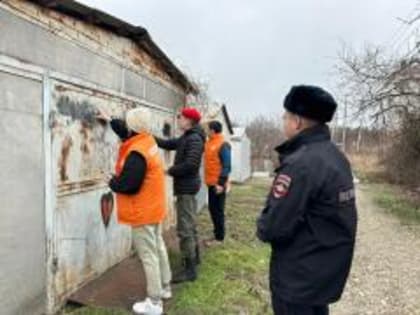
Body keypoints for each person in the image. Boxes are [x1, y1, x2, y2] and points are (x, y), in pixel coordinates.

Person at [256, 85, 358, 315]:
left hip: (298, 278)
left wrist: (262, 225)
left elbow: (274, 226)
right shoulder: (337, 157)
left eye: (286, 116)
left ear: (298, 122)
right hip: (323, 272)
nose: (283, 120)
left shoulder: (300, 164)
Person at [97, 108, 172, 315]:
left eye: (128, 122)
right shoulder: (148, 141)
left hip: (142, 211)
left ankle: (154, 302)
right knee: (158, 247)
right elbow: (126, 131)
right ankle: (165, 287)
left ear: (134, 127)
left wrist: (112, 181)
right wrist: (110, 119)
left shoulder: (136, 153)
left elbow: (130, 184)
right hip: (154, 207)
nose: (126, 125)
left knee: (148, 255)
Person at [155, 107, 205, 283]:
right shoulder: (187, 137)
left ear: (189, 121)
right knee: (189, 225)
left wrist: (169, 170)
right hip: (186, 187)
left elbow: (191, 165)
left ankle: (189, 270)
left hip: (187, 188)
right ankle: (195, 259)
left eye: (181, 117)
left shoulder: (195, 139)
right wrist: (148, 137)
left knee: (185, 228)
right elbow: (169, 144)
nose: (178, 120)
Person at [204, 120, 232, 245]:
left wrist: (221, 184)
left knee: (218, 210)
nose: (206, 131)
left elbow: (227, 165)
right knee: (212, 209)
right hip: (210, 183)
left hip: (218, 185)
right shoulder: (209, 142)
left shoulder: (223, 144)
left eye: (208, 129)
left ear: (213, 130)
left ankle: (219, 238)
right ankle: (217, 234)